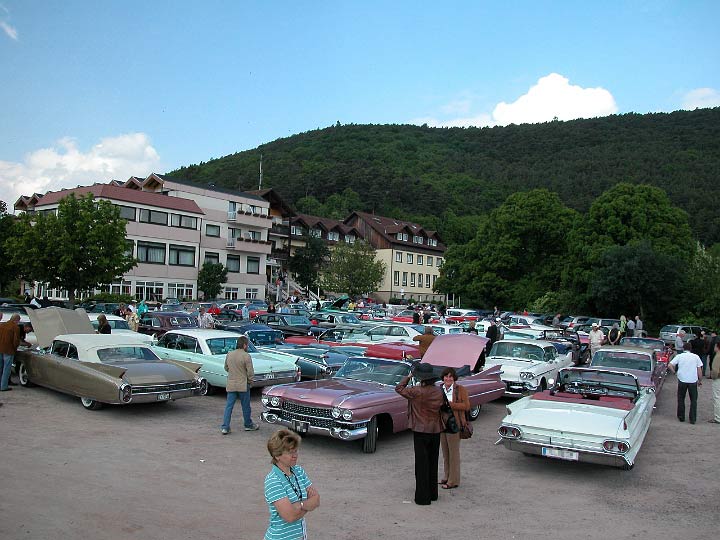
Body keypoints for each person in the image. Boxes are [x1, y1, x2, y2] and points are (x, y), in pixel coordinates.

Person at [395, 362, 444, 505]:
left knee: (421, 464)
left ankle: (423, 497)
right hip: (435, 429)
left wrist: (409, 375)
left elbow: (398, 388)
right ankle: (433, 493)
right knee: (433, 462)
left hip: (420, 430)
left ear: (420, 377)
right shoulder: (438, 391)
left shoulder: (416, 391)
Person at [264, 429, 320, 540]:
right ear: (277, 455)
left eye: (296, 451)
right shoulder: (273, 481)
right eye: (290, 452)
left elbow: (316, 499)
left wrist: (300, 506)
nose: (295, 455)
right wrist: (308, 504)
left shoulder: (298, 471)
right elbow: (289, 516)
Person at [439, 367, 470, 490]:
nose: (448, 379)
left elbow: (466, 406)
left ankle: (453, 480)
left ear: (454, 378)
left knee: (454, 454)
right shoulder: (440, 388)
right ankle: (446, 476)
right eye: (446, 376)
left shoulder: (460, 389)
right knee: (446, 454)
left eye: (450, 377)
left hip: (455, 424)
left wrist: (450, 405)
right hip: (442, 424)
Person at [221, 335, 259, 433]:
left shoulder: (230, 354)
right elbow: (250, 372)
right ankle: (248, 424)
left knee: (229, 406)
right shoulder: (246, 356)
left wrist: (233, 372)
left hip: (231, 383)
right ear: (245, 345)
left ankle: (225, 427)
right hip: (243, 384)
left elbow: (226, 367)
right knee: (245, 406)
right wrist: (251, 382)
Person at [668, 343, 703, 424]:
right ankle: (692, 418)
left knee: (681, 398)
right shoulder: (695, 357)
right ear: (691, 348)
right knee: (693, 400)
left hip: (682, 380)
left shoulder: (680, 356)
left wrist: (674, 372)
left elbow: (670, 365)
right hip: (693, 381)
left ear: (683, 348)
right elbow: (699, 370)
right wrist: (700, 380)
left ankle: (681, 416)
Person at [0, 313, 22, 391]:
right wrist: (15, 348)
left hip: (0, 349)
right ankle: (3, 386)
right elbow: (15, 341)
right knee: (7, 369)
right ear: (16, 320)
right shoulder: (15, 327)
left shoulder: (2, 325)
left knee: (1, 368)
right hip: (9, 350)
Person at [709, 342, 720, 424]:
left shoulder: (718, 356)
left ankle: (718, 417)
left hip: (718, 379)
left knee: (717, 397)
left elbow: (715, 370)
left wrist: (713, 376)